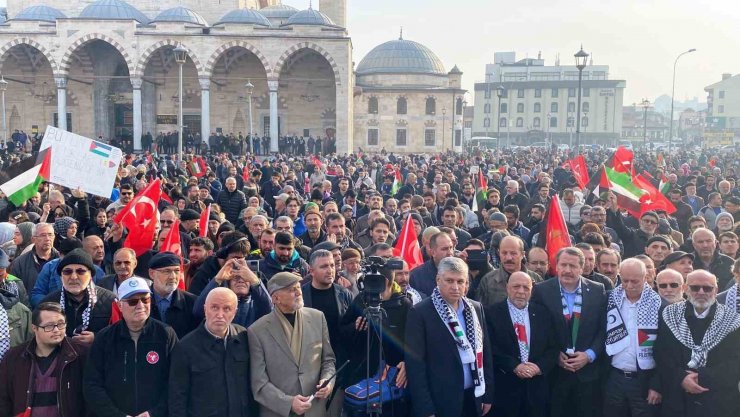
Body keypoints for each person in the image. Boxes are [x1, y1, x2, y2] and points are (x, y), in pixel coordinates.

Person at [405, 257, 493, 417]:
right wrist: (425, 408)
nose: (455, 287)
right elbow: (415, 365)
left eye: (461, 281)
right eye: (449, 281)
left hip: (473, 396)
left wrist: (487, 394)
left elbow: (485, 353)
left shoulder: (475, 308)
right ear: (438, 280)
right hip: (440, 400)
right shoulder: (420, 312)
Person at [83, 277, 179, 417]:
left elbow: (176, 381)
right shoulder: (104, 338)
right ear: (120, 305)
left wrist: (154, 413)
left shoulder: (166, 334)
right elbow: (92, 384)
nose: (140, 305)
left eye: (145, 300)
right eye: (133, 301)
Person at [530, 247, 607, 417]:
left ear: (582, 267)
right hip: (555, 374)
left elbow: (603, 329)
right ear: (556, 266)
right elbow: (536, 330)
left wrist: (589, 355)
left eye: (572, 266)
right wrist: (553, 355)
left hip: (588, 375)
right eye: (563, 265)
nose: (567, 270)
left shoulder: (597, 290)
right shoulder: (541, 291)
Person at [248, 272, 336, 417]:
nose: (298, 292)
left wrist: (328, 381)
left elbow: (328, 360)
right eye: (291, 290)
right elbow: (259, 383)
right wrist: (288, 403)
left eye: (298, 287)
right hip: (278, 412)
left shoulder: (317, 317)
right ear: (275, 298)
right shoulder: (257, 330)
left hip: (314, 409)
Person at [654, 270, 740, 417]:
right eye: (695, 288)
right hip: (678, 398)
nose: (701, 292)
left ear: (716, 290)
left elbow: (735, 362)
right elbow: (661, 354)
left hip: (718, 401)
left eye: (707, 288)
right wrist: (682, 378)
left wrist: (702, 376)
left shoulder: (732, 320)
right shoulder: (670, 315)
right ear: (686, 289)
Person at [339, 257, 412, 417]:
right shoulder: (362, 300)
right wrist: (355, 327)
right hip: (361, 375)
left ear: (386, 281)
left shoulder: (404, 305)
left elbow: (414, 343)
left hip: (390, 382)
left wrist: (408, 363)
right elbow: (342, 331)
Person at [169, 288, 257, 417]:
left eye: (227, 309)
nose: (220, 315)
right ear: (205, 309)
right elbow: (177, 397)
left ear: (235, 312)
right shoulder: (186, 347)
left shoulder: (244, 337)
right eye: (214, 308)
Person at [485, 271, 558, 417]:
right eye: (516, 286)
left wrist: (538, 367)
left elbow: (553, 347)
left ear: (532, 289)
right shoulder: (491, 314)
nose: (521, 292)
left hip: (536, 390)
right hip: (505, 390)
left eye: (526, 287)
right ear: (507, 287)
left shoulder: (543, 314)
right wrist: (514, 365)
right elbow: (489, 348)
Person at [0, 302, 88, 416]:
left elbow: (90, 399)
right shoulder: (14, 357)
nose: (56, 330)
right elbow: (3, 400)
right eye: (49, 326)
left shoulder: (79, 354)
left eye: (61, 324)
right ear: (34, 328)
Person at [603, 259, 665, 417]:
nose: (629, 285)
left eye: (635, 281)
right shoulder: (610, 300)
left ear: (645, 278)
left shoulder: (659, 305)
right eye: (625, 280)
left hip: (644, 380)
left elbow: (666, 350)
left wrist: (657, 385)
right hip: (614, 377)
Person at [40, 248, 115, 345]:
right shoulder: (48, 303)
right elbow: (40, 336)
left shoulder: (110, 301)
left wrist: (97, 338)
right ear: (61, 276)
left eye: (80, 271)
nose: (74, 277)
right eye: (67, 272)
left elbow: (119, 335)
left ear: (90, 275)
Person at [194, 257, 272, 328]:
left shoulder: (257, 303)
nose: (241, 281)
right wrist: (217, 279)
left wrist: (256, 282)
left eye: (245, 278)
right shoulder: (220, 302)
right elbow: (198, 311)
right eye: (236, 277)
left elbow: (270, 310)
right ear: (229, 283)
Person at [476, 235, 542, 306]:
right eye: (504, 253)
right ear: (499, 253)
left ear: (522, 254)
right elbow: (480, 312)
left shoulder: (536, 279)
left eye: (513, 253)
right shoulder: (488, 281)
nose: (508, 258)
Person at [148, 252, 198, 338]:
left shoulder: (192, 302)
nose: (173, 277)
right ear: (152, 274)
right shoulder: (138, 301)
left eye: (177, 271)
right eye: (167, 271)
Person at [409, 232, 454, 296]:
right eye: (444, 249)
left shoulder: (461, 271)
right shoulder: (416, 276)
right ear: (433, 252)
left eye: (451, 247)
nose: (450, 252)